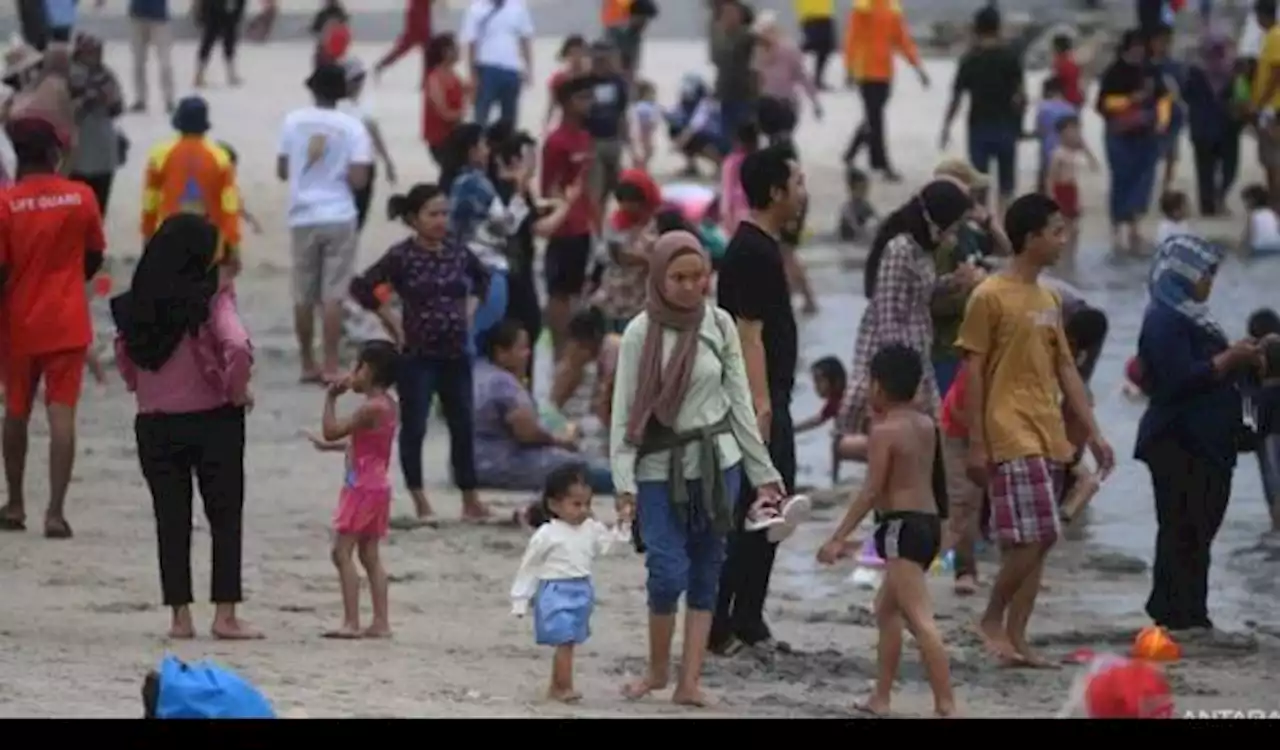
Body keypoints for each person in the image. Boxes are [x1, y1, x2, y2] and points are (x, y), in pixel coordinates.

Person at [612, 230, 785, 707]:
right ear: (659, 277)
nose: (690, 286)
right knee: (666, 570)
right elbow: (624, 412)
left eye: (698, 276)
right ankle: (655, 670)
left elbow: (739, 404)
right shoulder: (639, 333)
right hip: (656, 467)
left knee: (708, 569)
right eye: (679, 277)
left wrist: (763, 471)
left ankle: (689, 682)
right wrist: (623, 482)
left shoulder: (719, 324)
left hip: (718, 464)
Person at [956, 193, 1115, 666]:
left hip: (1048, 430)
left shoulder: (1049, 298)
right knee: (1043, 531)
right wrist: (978, 443)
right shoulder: (987, 296)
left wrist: (1096, 434)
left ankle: (1017, 639)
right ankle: (990, 618)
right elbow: (973, 372)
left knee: (1034, 544)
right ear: (1030, 239)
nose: (1063, 240)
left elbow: (1067, 371)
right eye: (1056, 231)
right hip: (1008, 430)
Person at [111, 213, 256, 639]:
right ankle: (225, 615)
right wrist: (236, 390)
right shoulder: (212, 298)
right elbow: (238, 346)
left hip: (154, 423)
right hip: (214, 420)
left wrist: (141, 386)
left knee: (170, 519)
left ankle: (180, 617)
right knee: (224, 516)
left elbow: (124, 354)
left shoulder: (137, 302)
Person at [817, 344, 954, 718]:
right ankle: (881, 697)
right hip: (927, 527)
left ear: (876, 386)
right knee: (885, 608)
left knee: (920, 618)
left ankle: (947, 705)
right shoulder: (926, 424)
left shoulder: (885, 431)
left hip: (901, 528)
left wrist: (838, 537)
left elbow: (872, 491)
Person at [709, 145, 807, 655]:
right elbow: (748, 334)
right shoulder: (750, 251)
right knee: (757, 511)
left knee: (771, 511)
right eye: (798, 182)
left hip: (772, 399)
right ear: (775, 192)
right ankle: (723, 622)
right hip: (756, 404)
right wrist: (761, 407)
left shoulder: (764, 247)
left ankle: (747, 616)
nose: (803, 193)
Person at [1135, 235, 1259, 637]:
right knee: (1182, 527)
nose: (1209, 283)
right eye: (1206, 274)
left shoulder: (1188, 316)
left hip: (1204, 441)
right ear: (1184, 274)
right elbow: (1177, 380)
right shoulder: (1164, 319)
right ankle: (1175, 613)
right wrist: (1230, 358)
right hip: (1179, 441)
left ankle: (1192, 611)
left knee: (1200, 528)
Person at [350, 183, 490, 523]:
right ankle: (419, 499)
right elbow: (363, 286)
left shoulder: (458, 252)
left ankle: (470, 498)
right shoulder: (402, 256)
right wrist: (392, 321)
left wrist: (469, 311)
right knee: (415, 426)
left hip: (456, 352)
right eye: (433, 214)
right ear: (414, 219)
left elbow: (483, 280)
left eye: (444, 213)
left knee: (462, 424)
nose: (441, 221)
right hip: (417, 356)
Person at [0, 115, 101, 540]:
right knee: (63, 414)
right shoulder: (81, 197)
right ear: (53, 154)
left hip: (19, 321)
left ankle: (16, 501)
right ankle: (55, 512)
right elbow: (94, 257)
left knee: (16, 412)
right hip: (67, 319)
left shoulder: (5, 203)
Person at [835, 180, 977, 463]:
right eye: (955, 224)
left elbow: (919, 290)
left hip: (917, 355)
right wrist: (901, 382)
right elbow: (887, 316)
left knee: (928, 440)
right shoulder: (900, 249)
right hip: (896, 366)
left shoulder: (921, 249)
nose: (955, 232)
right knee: (906, 443)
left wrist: (953, 283)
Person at [276, 62, 373, 383]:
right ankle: (331, 363)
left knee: (303, 292)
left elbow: (282, 169)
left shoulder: (292, 121)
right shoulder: (352, 127)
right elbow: (359, 179)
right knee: (333, 293)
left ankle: (307, 361)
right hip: (339, 213)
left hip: (303, 213)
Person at [304, 340, 399, 639]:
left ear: (367, 370)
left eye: (356, 367)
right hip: (378, 486)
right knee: (370, 554)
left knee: (341, 552)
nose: (352, 374)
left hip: (360, 488)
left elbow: (333, 429)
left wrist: (331, 398)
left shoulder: (370, 408)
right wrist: (329, 447)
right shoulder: (388, 405)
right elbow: (366, 445)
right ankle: (380, 621)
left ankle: (351, 621)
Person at [510, 462, 624, 703]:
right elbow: (529, 566)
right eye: (576, 504)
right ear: (553, 505)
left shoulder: (591, 528)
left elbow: (605, 545)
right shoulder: (547, 534)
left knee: (570, 641)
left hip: (582, 590)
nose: (583, 510)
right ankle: (564, 686)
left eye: (587, 504)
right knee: (564, 641)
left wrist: (623, 526)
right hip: (554, 591)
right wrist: (520, 598)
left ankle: (556, 686)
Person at [475, 319, 613, 493]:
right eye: (522, 348)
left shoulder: (477, 374)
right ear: (501, 353)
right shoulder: (504, 383)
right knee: (577, 467)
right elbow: (526, 432)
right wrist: (557, 441)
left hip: (473, 462)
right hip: (500, 462)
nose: (528, 354)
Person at [940, 6, 1025, 216]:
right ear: (998, 28)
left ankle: (985, 230)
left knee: (979, 186)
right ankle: (1005, 231)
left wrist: (946, 128)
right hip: (1006, 127)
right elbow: (1021, 97)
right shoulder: (1011, 57)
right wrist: (1019, 125)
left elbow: (956, 98)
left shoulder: (969, 59)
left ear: (977, 29)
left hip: (979, 128)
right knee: (1006, 188)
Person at [140, 96, 240, 254]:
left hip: (169, 236)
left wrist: (147, 233)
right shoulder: (220, 157)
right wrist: (232, 243)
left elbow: (150, 200)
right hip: (208, 237)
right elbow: (229, 205)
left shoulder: (160, 155)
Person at [841, 0, 928, 181]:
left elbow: (902, 40)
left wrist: (917, 67)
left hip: (885, 73)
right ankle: (881, 164)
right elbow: (852, 37)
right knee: (876, 118)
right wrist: (849, 68)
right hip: (866, 72)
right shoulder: (863, 7)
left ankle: (851, 153)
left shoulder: (892, 7)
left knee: (873, 116)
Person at [541, 76, 596, 359]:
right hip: (563, 229)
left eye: (589, 97)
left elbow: (587, 183)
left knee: (576, 291)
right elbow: (548, 186)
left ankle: (572, 351)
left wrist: (593, 220)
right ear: (565, 103)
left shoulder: (585, 138)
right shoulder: (556, 142)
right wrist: (555, 219)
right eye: (581, 98)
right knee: (559, 292)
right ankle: (558, 350)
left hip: (582, 227)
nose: (588, 103)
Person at [1097, 28, 1166, 254]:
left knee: (1143, 181)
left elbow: (1163, 97)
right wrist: (1130, 100)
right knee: (1121, 179)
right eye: (1135, 46)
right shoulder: (1114, 71)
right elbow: (1103, 104)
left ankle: (1135, 228)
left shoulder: (1151, 69)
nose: (1139, 51)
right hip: (1119, 134)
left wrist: (1161, 122)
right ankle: (1117, 229)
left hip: (1146, 134)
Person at [591, 169, 662, 334]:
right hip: (616, 295)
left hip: (644, 298)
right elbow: (615, 255)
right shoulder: (615, 223)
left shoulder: (659, 223)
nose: (626, 207)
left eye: (632, 201)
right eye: (622, 201)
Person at [1185, 29, 1242, 217]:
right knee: (1204, 171)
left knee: (1230, 169)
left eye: (1219, 50)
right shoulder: (1194, 73)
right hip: (1202, 129)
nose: (1216, 54)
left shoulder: (1234, 73)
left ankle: (1220, 197)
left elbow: (1242, 98)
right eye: (1212, 50)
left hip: (1228, 129)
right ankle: (1208, 206)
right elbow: (1185, 97)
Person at [67, 33, 123, 217]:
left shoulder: (107, 75)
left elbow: (117, 108)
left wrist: (104, 96)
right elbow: (67, 111)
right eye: (89, 52)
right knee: (76, 211)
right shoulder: (68, 76)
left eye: (96, 52)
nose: (93, 57)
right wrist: (86, 98)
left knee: (98, 210)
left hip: (103, 153)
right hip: (78, 156)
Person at [341, 58, 398, 233]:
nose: (359, 83)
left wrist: (387, 161)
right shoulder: (338, 106)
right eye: (355, 79)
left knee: (360, 213)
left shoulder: (363, 105)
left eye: (360, 78)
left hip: (366, 163)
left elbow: (374, 132)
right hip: (345, 164)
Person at [459, 0, 534, 128]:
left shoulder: (518, 6)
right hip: (486, 68)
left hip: (512, 69)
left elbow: (525, 39)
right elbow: (471, 43)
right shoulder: (476, 8)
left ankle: (506, 145)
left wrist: (529, 68)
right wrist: (472, 75)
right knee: (481, 115)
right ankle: (480, 143)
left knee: (509, 118)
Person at [752, 12, 822, 145]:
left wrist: (815, 101)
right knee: (772, 140)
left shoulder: (788, 51)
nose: (762, 41)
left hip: (785, 106)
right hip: (764, 107)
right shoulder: (755, 54)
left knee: (782, 141)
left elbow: (803, 76)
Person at [710, 1, 756, 156]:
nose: (729, 17)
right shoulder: (718, 34)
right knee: (724, 133)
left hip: (744, 92)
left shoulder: (747, 35)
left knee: (745, 131)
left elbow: (766, 44)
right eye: (726, 14)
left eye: (733, 14)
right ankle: (729, 163)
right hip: (724, 91)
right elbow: (714, 59)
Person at [120, 0, 176, 114]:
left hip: (159, 18)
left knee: (165, 62)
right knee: (138, 61)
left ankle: (169, 99)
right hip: (138, 16)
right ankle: (140, 98)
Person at [423, 33, 466, 169]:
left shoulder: (452, 74)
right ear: (445, 52)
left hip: (455, 136)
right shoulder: (434, 78)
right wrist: (461, 114)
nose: (459, 50)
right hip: (441, 140)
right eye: (454, 47)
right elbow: (443, 112)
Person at [1047, 115, 1087, 259]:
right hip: (1061, 189)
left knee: (1074, 223)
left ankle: (1071, 253)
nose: (1074, 134)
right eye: (1070, 131)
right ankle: (1061, 251)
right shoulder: (1058, 153)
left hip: (1072, 189)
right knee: (1062, 223)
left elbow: (1093, 166)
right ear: (1061, 133)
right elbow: (1051, 177)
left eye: (1076, 130)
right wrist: (1050, 194)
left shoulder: (1074, 152)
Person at [1253, 0, 1280, 208]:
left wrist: (1262, 102)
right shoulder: (1270, 37)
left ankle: (1275, 202)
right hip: (1271, 106)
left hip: (1273, 107)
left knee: (1272, 159)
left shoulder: (1275, 36)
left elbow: (1277, 72)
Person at [194, 0, 246, 88]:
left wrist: (238, 14)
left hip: (230, 13)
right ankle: (199, 74)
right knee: (208, 41)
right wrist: (202, 13)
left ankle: (231, 74)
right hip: (214, 12)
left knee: (229, 42)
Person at [543, 34, 588, 131]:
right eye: (573, 53)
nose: (577, 57)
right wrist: (546, 127)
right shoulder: (559, 79)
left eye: (580, 52)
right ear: (566, 55)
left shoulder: (591, 76)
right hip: (568, 126)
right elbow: (551, 105)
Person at [795, 356, 846, 434]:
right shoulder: (834, 401)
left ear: (836, 381)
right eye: (815, 382)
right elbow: (818, 420)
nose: (816, 386)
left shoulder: (845, 401)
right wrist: (793, 429)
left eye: (819, 381)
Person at [795, 0, 837, 89]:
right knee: (812, 44)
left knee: (826, 48)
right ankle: (788, 59)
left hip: (825, 14)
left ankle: (817, 80)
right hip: (809, 15)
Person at [837, 166, 877, 242]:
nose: (864, 192)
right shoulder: (847, 209)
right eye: (861, 188)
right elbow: (853, 227)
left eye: (865, 188)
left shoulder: (866, 206)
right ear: (851, 189)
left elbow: (876, 220)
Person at [1242, 183, 1280, 255]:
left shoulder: (1254, 215)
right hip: (1277, 246)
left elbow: (1249, 235)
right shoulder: (1272, 213)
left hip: (1259, 248)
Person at [631, 79, 660, 169]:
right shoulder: (643, 106)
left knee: (645, 156)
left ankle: (641, 171)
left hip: (647, 134)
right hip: (644, 134)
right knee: (642, 155)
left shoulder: (645, 105)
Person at [1052, 33, 1085, 109]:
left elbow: (1060, 80)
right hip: (1075, 98)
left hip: (1065, 100)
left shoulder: (1060, 62)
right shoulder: (1073, 59)